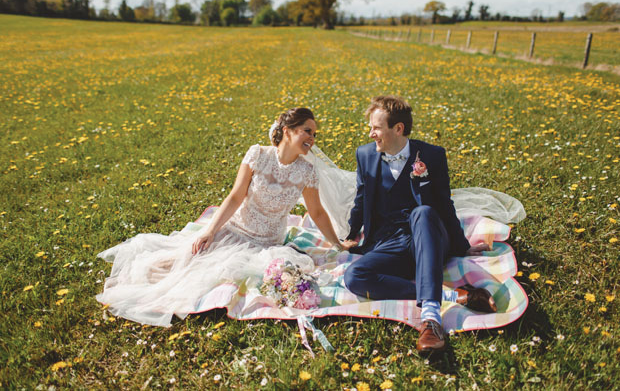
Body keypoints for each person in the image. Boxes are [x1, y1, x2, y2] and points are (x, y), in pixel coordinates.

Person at [97, 107, 355, 327]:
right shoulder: (258, 155)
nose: (312, 137)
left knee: (226, 275)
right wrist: (209, 230)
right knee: (185, 263)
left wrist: (337, 244)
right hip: (236, 229)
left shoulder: (307, 171)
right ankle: (143, 281)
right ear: (288, 130)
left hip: (268, 243)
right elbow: (235, 196)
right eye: (307, 131)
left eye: (314, 133)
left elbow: (317, 212)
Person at [342, 95, 497, 355]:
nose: (371, 134)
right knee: (354, 276)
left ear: (398, 129)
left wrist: (461, 246)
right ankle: (453, 295)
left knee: (423, 212)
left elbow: (445, 205)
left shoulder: (432, 156)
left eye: (376, 128)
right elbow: (361, 198)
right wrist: (351, 234)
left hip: (427, 237)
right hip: (389, 241)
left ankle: (431, 319)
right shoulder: (365, 155)